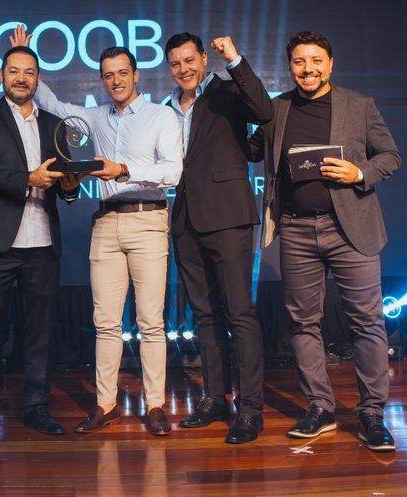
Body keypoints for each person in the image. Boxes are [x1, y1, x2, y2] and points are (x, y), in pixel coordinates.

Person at [11, 26, 183, 436]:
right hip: (105, 223)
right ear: (102, 80)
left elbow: (173, 170)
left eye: (122, 73)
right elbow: (51, 102)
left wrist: (123, 169)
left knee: (151, 322)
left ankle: (155, 404)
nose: (116, 81)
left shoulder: (160, 115)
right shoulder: (95, 116)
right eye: (108, 75)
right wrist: (27, 58)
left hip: (148, 220)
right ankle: (106, 404)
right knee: (105, 322)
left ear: (136, 75)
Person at [248, 31, 401, 451]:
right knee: (303, 323)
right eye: (299, 61)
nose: (308, 68)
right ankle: (320, 408)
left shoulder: (360, 105)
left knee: (367, 322)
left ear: (331, 64)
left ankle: (372, 413)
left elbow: (390, 156)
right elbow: (253, 150)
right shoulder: (277, 109)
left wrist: (359, 173)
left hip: (351, 228)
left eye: (316, 60)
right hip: (296, 229)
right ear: (290, 66)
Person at [0, 45, 82, 450]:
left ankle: (37, 406)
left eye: (29, 72)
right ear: (1, 76)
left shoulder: (54, 124)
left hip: (43, 244)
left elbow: (64, 186)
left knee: (39, 333)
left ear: (37, 78)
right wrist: (27, 178)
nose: (21, 78)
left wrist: (70, 186)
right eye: (14, 71)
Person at [163, 32, 274, 444]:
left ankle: (251, 408)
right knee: (204, 314)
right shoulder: (166, 108)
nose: (184, 69)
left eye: (189, 60)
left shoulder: (227, 92)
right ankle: (214, 397)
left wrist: (235, 60)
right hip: (185, 221)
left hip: (228, 217)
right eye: (176, 64)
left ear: (204, 59)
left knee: (239, 313)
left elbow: (264, 110)